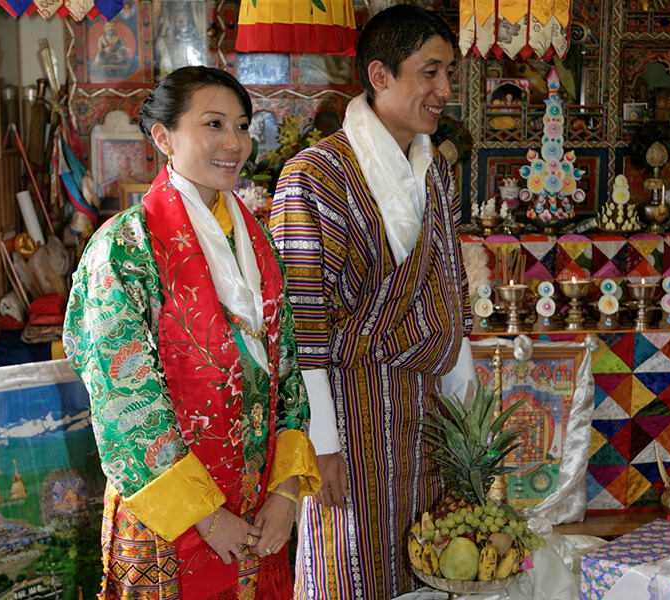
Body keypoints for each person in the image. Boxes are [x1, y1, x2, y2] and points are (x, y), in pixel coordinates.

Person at [63, 66, 321, 600]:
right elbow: (123, 403)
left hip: (257, 517)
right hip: (171, 524)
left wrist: (287, 491)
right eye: (213, 124)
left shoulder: (258, 246)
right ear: (163, 138)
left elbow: (288, 373)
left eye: (242, 126)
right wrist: (205, 517)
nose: (234, 143)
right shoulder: (124, 249)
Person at [270, 6, 476, 599]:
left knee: (431, 557)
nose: (444, 90)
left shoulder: (434, 173)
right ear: (380, 76)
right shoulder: (313, 174)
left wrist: (465, 416)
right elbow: (302, 323)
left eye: (449, 73)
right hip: (347, 409)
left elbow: (449, 292)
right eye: (430, 72)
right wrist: (322, 446)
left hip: (423, 409)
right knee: (347, 562)